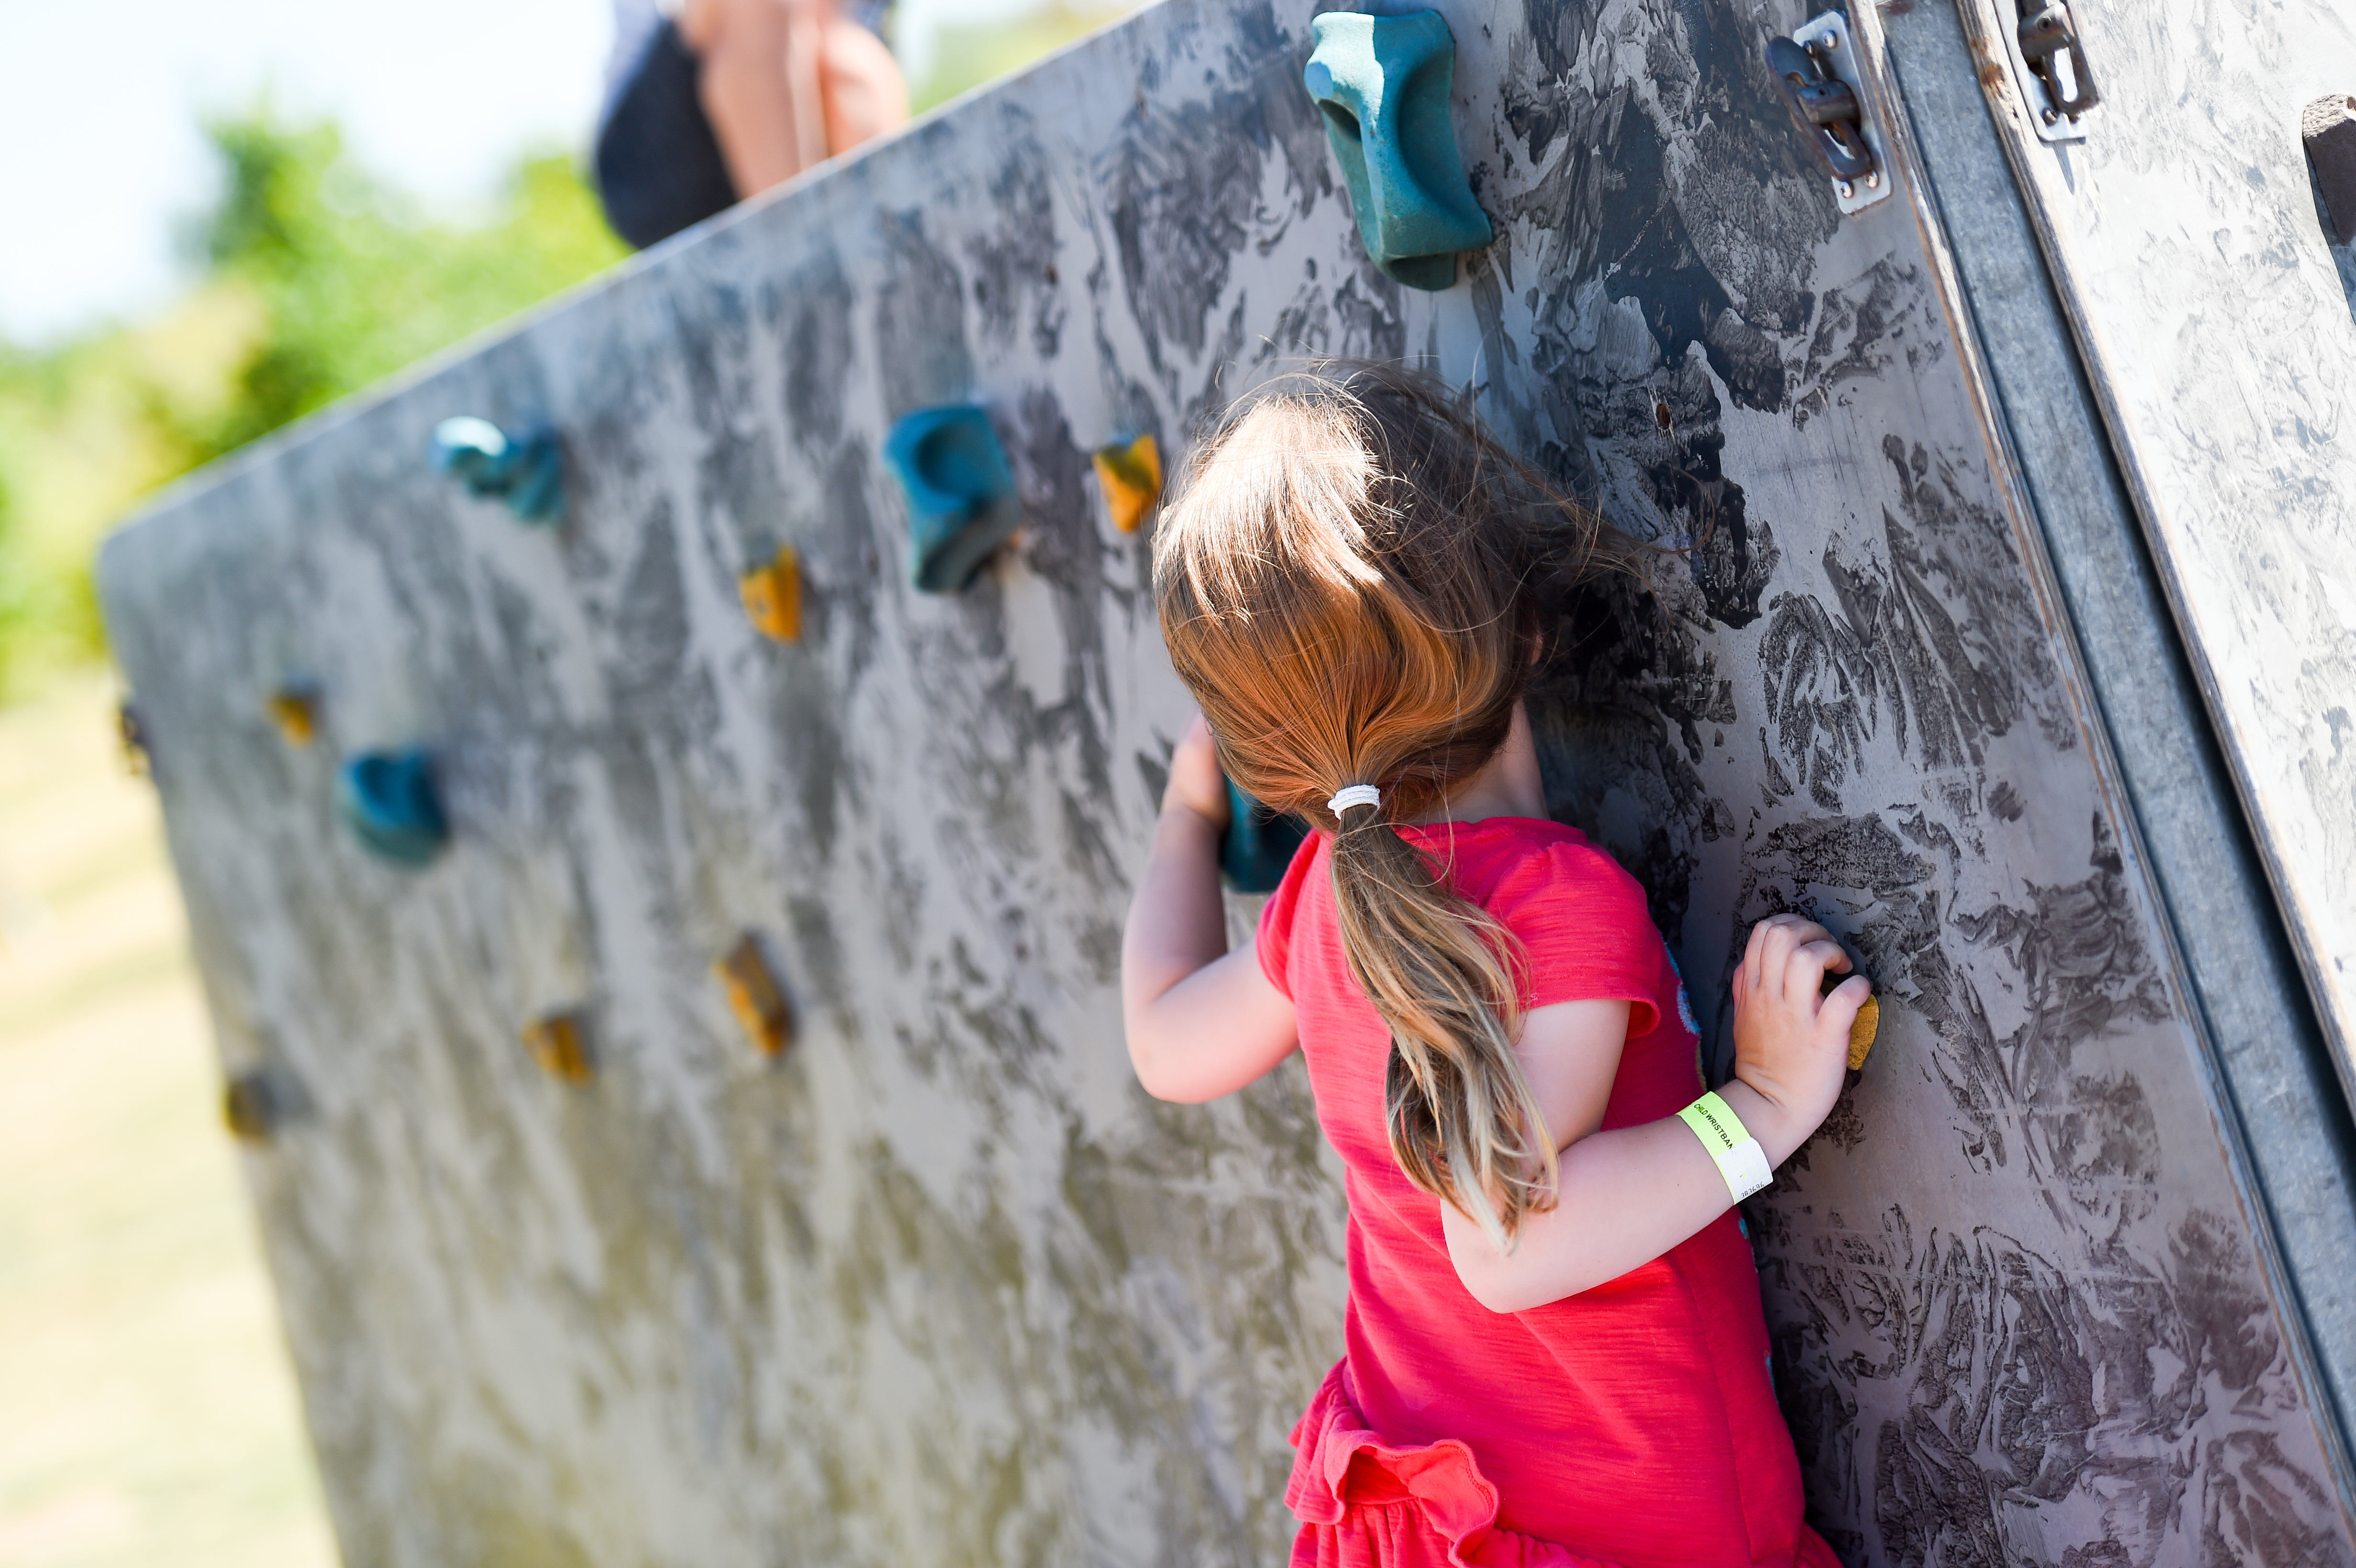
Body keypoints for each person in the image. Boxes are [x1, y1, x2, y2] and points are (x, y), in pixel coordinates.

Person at [1120, 362, 1867, 1567]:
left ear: (1279, 766)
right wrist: (1762, 1110)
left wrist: (1184, 815)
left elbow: (1163, 1038)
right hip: (1627, 1527)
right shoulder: (1557, 905)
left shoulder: (1323, 902)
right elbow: (1512, 1243)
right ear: (1525, 628)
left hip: (1444, 1516)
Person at [595, 0, 910, 250]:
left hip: (809, 112)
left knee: (856, 62)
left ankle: (888, 254)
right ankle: (801, 255)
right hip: (654, 154)